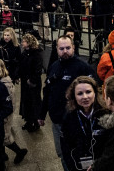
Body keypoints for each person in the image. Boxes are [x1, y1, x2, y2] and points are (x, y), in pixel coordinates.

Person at [40, 34, 96, 171]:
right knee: (63, 155)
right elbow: (47, 91)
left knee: (79, 155)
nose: (65, 51)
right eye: (61, 48)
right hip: (57, 121)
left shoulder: (83, 68)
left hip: (77, 122)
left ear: (73, 48)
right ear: (57, 49)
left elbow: (94, 93)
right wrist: (42, 114)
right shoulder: (54, 66)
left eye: (68, 48)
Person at [60, 76, 110, 171]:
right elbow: (66, 147)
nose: (85, 97)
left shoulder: (106, 113)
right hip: (79, 166)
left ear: (95, 92)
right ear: (74, 96)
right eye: (79, 93)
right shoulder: (69, 116)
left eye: (88, 92)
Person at [0, 58, 28, 164]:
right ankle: (2, 155)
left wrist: (4, 116)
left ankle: (19, 152)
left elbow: (8, 104)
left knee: (5, 137)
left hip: (5, 115)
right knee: (0, 135)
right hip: (1, 114)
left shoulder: (5, 84)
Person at [18, 32, 44, 132]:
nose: (22, 43)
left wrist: (32, 80)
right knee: (26, 102)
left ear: (29, 42)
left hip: (33, 83)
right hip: (25, 82)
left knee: (34, 102)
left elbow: (38, 69)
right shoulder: (24, 53)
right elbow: (21, 65)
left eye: (24, 41)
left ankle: (36, 122)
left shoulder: (37, 54)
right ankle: (28, 121)